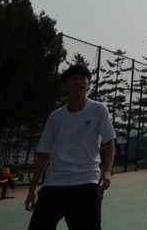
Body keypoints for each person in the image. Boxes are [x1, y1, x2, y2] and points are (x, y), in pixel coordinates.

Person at [24, 64, 116, 230]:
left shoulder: (99, 109)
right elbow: (44, 154)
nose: (78, 82)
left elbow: (109, 142)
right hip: (54, 184)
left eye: (82, 78)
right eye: (73, 79)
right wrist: (32, 190)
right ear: (65, 86)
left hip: (87, 183)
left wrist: (108, 171)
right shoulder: (55, 117)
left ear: (88, 84)